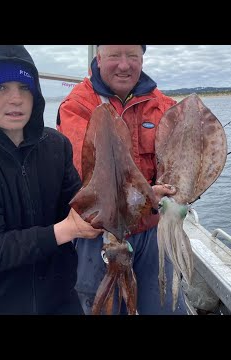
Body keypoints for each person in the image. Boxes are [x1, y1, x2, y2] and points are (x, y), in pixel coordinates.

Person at [0, 45, 102, 315]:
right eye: (1, 88)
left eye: (24, 87)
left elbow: (79, 204)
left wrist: (138, 195)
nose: (16, 99)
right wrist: (66, 230)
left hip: (60, 299)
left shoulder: (56, 145)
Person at [57, 45, 188, 315]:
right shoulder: (77, 106)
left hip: (152, 230)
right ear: (99, 58)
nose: (124, 65)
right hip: (99, 235)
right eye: (115, 55)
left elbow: (180, 163)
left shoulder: (164, 106)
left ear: (142, 59)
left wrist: (180, 189)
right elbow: (86, 174)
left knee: (167, 306)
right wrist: (143, 195)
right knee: (102, 307)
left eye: (133, 56)